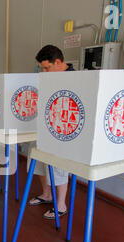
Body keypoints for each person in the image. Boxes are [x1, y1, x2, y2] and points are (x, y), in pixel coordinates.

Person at [28, 45, 75, 220]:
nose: (44, 72)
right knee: (37, 157)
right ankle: (47, 194)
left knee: (58, 165)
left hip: (63, 129)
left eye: (47, 68)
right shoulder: (49, 78)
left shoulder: (76, 78)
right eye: (42, 68)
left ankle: (61, 204)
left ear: (58, 62)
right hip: (46, 126)